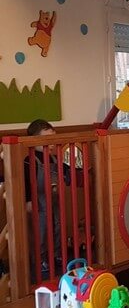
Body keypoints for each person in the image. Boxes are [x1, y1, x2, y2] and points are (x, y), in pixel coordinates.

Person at [23, 119, 70, 281]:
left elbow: (65, 170)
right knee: (41, 229)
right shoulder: (30, 160)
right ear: (33, 140)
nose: (51, 144)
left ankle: (56, 253)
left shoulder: (54, 159)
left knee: (57, 225)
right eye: (47, 139)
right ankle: (41, 258)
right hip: (39, 201)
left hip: (55, 199)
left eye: (53, 139)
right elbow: (26, 182)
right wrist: (28, 200)